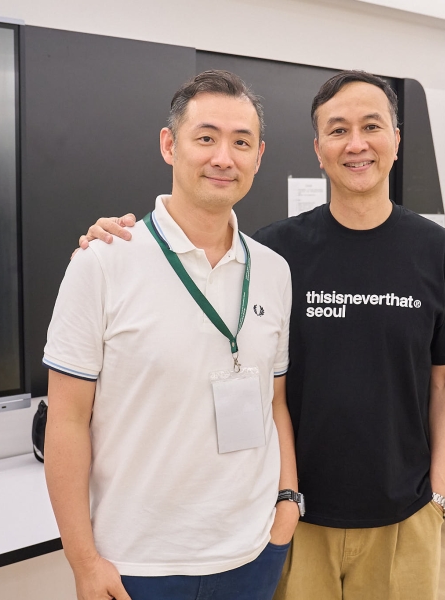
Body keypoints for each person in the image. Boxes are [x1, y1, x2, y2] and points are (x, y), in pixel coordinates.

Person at [79, 70, 445, 600]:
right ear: (318, 149)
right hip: (292, 518)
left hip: (404, 518)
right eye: (338, 130)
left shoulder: (438, 252)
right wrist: (110, 240)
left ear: (396, 140)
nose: (356, 144)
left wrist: (437, 496)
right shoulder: (272, 256)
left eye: (371, 126)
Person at [44, 70, 301, 600]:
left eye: (241, 142)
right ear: (169, 145)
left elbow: (274, 401)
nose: (223, 157)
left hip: (253, 550)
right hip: (138, 562)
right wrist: (83, 561)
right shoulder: (103, 262)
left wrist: (287, 503)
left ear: (259, 157)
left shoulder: (274, 270)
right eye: (205, 137)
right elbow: (66, 419)